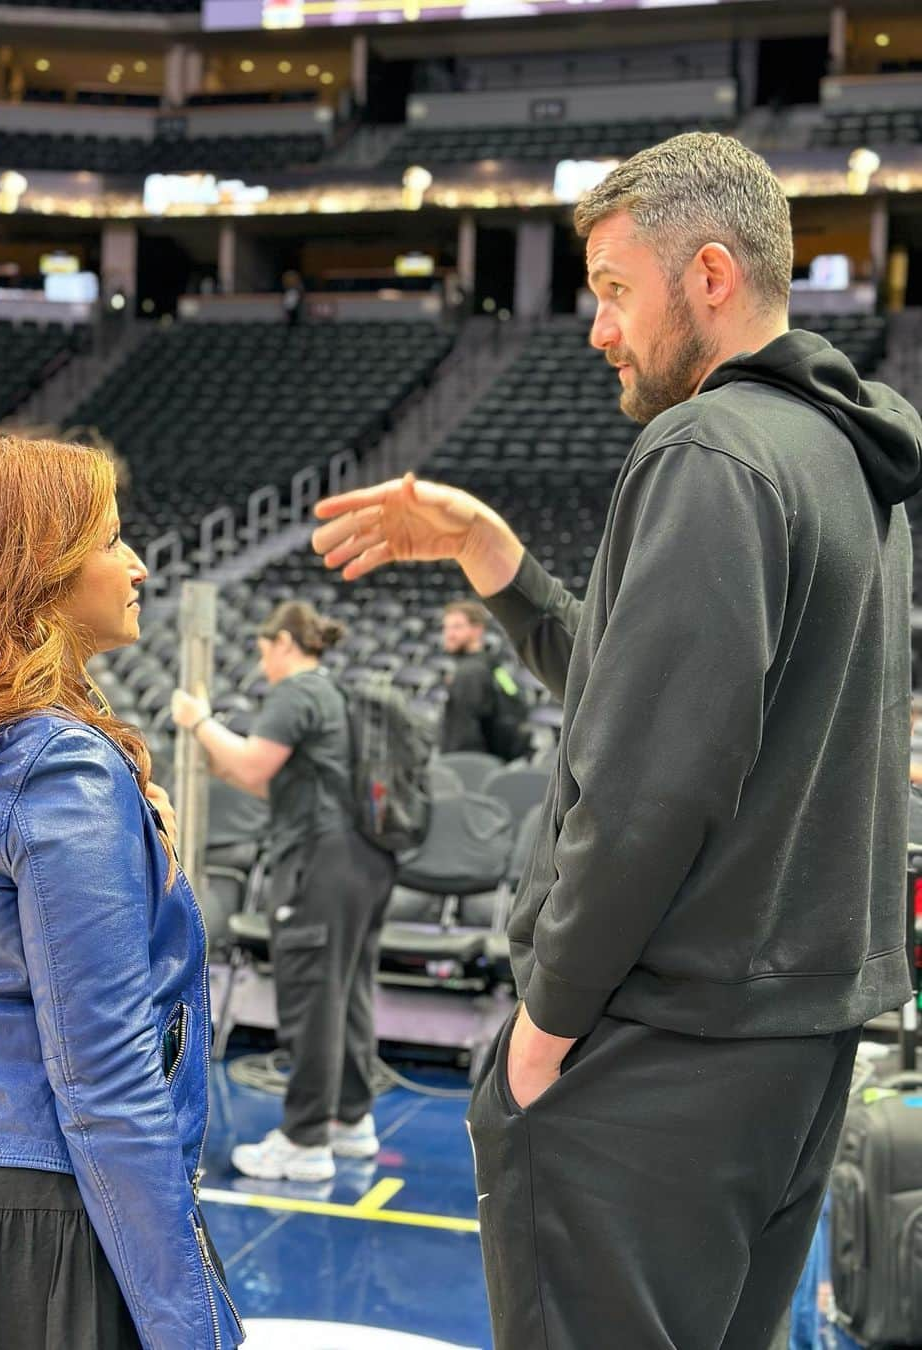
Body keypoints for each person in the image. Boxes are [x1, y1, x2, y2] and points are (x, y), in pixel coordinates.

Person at [311, 131, 922, 1349]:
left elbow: (650, 782)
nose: (598, 330)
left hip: (656, 1053)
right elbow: (650, 690)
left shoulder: (705, 448)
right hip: (791, 1052)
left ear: (708, 277)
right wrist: (494, 554)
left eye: (612, 290)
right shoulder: (845, 462)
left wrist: (543, 1030)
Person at [0, 432, 242, 1350]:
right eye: (111, 541)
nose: (138, 565)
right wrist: (194, 1327)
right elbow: (105, 1082)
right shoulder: (57, 766)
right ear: (39, 573)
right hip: (51, 1226)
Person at [171, 600, 396, 1184]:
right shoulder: (333, 695)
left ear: (287, 643)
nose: (263, 660)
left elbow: (252, 768)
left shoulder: (296, 694)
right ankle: (350, 1121)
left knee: (313, 998)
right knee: (348, 994)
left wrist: (197, 719)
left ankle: (304, 1140)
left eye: (265, 648)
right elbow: (271, 783)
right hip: (363, 862)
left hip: (320, 864)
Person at [440, 599, 530, 760]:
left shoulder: (468, 673)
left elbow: (463, 736)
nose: (448, 634)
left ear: (477, 629)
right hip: (501, 760)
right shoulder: (495, 666)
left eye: (457, 627)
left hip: (474, 766)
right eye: (446, 628)